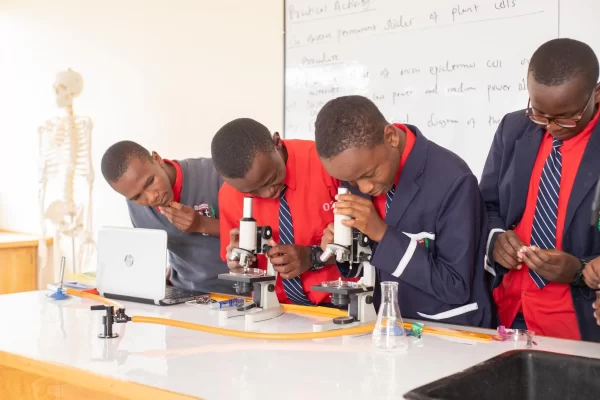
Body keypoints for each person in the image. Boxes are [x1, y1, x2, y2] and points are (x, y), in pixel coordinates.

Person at [314, 95, 493, 328]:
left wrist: (383, 234)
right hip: (388, 325)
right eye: (350, 181)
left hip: (449, 330)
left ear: (390, 137)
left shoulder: (453, 181)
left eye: (369, 175)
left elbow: (455, 285)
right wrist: (346, 244)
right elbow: (373, 264)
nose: (364, 188)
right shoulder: (358, 171)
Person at [479, 38, 600, 341]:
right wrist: (495, 240)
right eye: (540, 113)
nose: (551, 126)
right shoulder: (514, 128)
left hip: (577, 323)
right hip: (506, 312)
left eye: (565, 117)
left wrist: (579, 269)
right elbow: (486, 204)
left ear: (596, 94)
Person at [211, 118, 354, 306]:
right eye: (252, 192)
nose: (268, 193)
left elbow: (370, 242)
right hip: (274, 308)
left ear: (277, 143)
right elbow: (234, 260)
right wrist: (238, 263)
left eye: (271, 178)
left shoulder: (327, 164)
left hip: (339, 304)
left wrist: (313, 257)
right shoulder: (229, 194)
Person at [101, 140, 234, 294]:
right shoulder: (135, 204)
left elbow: (256, 234)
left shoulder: (215, 174)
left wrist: (201, 224)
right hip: (182, 293)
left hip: (236, 294)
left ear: (157, 160)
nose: (151, 197)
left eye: (150, 182)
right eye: (137, 196)